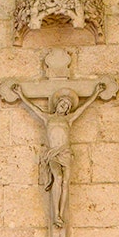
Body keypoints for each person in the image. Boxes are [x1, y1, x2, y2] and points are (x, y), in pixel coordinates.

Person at [11, 81, 106, 228]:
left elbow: (83, 108)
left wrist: (96, 94)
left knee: (65, 183)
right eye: (62, 104)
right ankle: (55, 214)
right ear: (57, 104)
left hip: (65, 153)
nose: (64, 107)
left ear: (68, 110)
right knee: (59, 178)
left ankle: (61, 214)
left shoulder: (68, 119)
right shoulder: (47, 118)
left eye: (67, 106)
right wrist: (20, 95)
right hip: (53, 154)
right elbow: (33, 108)